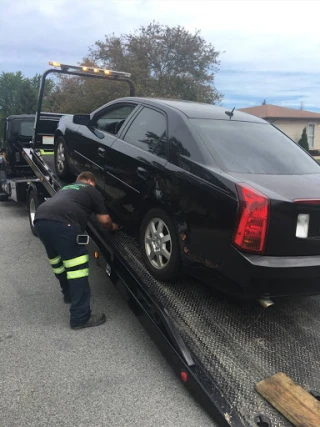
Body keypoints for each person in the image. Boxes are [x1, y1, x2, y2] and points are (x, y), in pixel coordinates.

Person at [34, 171, 118, 330]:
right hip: (64, 223)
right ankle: (80, 317)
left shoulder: (66, 189)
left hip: (41, 219)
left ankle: (68, 294)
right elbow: (104, 220)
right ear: (90, 180)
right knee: (77, 269)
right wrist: (113, 227)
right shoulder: (90, 189)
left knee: (56, 261)